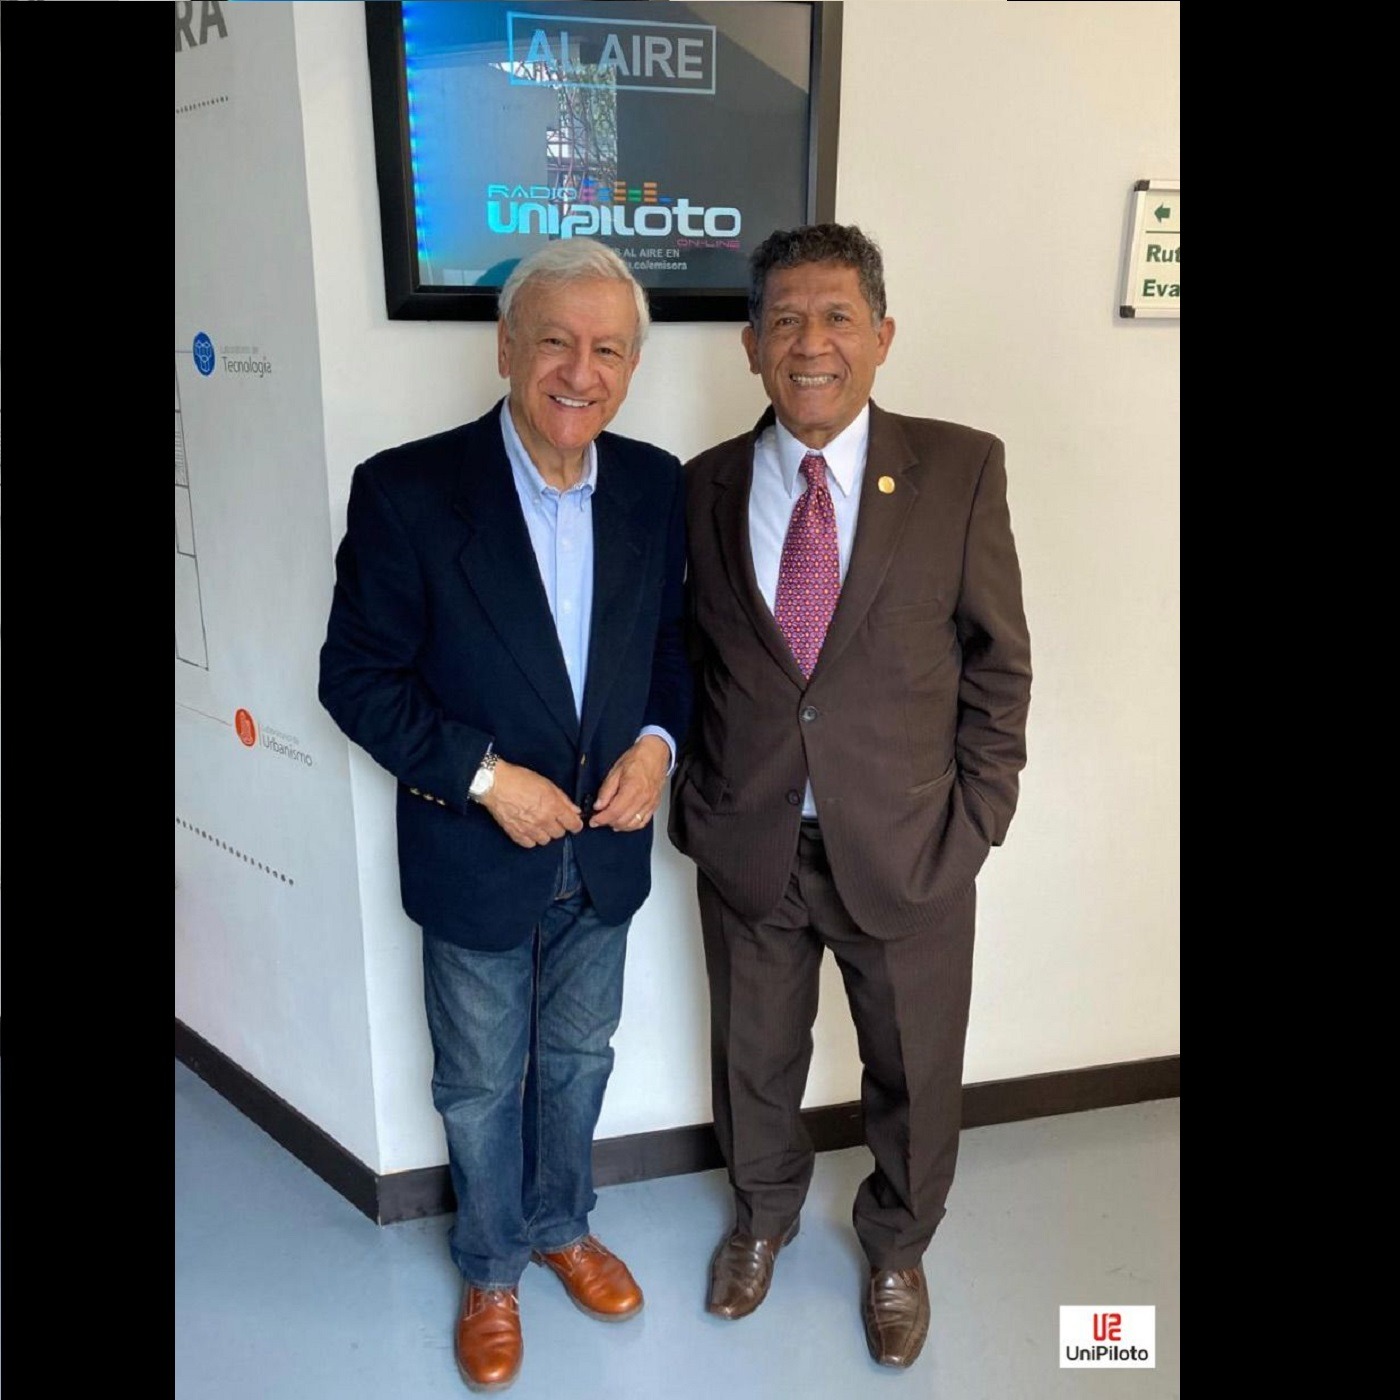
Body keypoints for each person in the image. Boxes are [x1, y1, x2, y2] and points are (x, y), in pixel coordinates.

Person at [319, 239, 689, 1393]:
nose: (580, 371)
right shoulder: (406, 491)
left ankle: (561, 1222)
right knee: (479, 1081)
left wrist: (657, 744)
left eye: (607, 349)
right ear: (505, 348)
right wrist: (485, 778)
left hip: (607, 850)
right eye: (555, 343)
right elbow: (355, 679)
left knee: (577, 1056)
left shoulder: (656, 485)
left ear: (630, 367)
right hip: (474, 850)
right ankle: (490, 1265)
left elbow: (671, 650)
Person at [668, 224, 1031, 1369]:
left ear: (881, 335)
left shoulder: (957, 470)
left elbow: (998, 664)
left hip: (908, 844)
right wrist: (696, 799)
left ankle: (896, 1246)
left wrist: (973, 821)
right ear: (749, 345)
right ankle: (761, 1217)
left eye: (835, 317)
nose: (809, 343)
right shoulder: (702, 485)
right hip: (751, 842)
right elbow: (687, 660)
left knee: (913, 1071)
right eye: (782, 319)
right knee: (752, 1058)